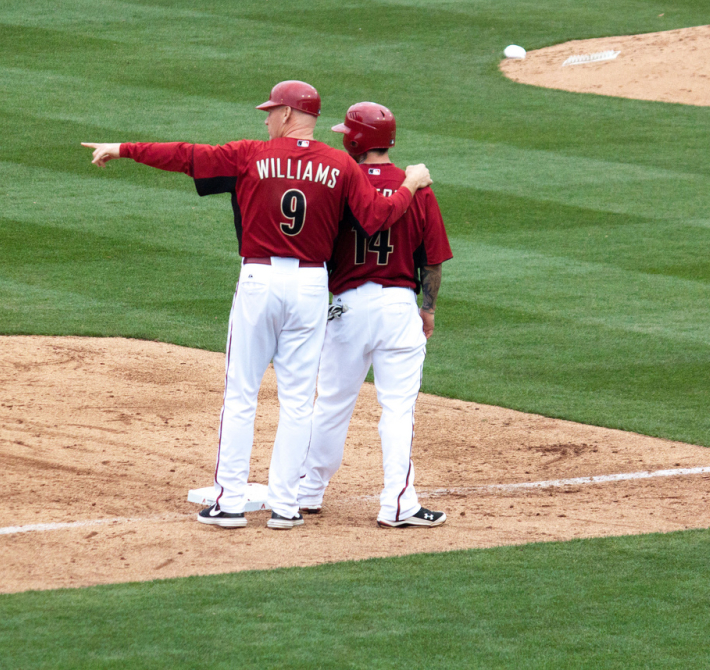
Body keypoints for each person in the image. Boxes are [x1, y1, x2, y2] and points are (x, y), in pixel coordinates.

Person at [82, 81, 432, 530]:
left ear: (287, 115)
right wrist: (409, 183)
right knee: (299, 401)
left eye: (270, 112)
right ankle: (286, 506)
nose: (266, 119)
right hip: (311, 286)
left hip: (259, 280)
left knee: (241, 393)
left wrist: (123, 148)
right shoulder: (341, 164)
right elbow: (378, 218)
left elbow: (186, 155)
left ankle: (229, 504)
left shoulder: (250, 154)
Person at [297, 102, 452, 528]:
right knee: (398, 410)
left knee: (330, 405)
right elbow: (432, 261)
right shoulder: (416, 185)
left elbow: (317, 247)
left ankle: (307, 492)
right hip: (398, 307)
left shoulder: (338, 183)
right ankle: (398, 505)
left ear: (355, 140)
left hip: (346, 308)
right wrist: (428, 309)